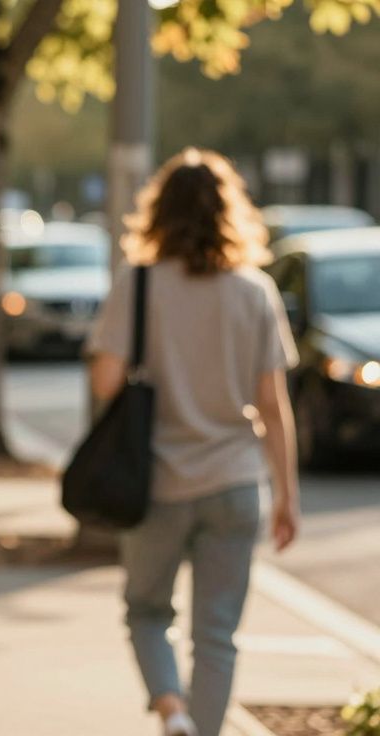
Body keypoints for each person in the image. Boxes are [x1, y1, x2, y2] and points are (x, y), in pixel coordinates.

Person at [86, 148, 300, 736]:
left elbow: (106, 382)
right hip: (235, 484)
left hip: (157, 483)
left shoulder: (139, 285)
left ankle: (171, 709)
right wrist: (287, 496)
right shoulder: (255, 291)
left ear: (159, 213)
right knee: (218, 633)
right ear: (231, 213)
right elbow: (274, 407)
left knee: (148, 610)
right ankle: (201, 729)